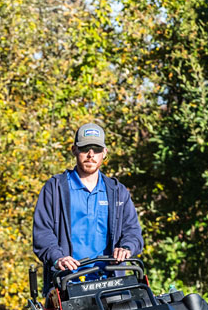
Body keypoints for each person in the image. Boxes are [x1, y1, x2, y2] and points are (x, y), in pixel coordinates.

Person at [32, 122, 144, 289]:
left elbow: (133, 232)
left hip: (111, 283)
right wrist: (58, 258)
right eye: (85, 148)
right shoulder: (54, 188)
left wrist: (126, 248)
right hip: (66, 283)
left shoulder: (117, 191)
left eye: (96, 149)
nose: (91, 155)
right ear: (74, 150)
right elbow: (43, 233)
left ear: (104, 153)